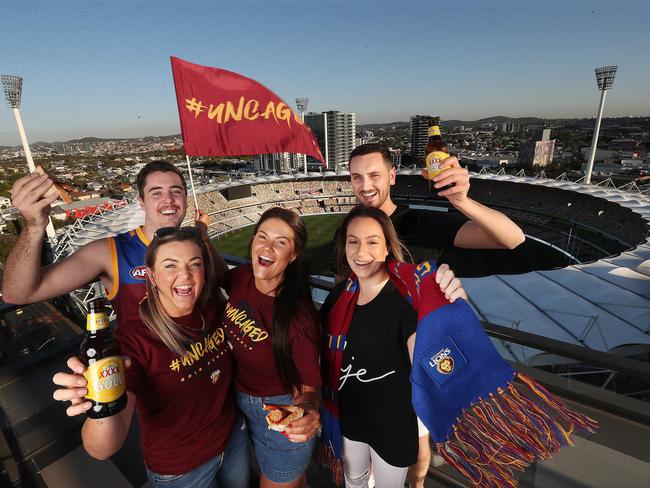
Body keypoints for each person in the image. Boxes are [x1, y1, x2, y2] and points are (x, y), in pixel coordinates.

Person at [344, 143, 525, 487]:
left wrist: (461, 201)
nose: (365, 185)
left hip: (417, 361)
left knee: (419, 447)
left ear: (392, 177)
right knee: (370, 447)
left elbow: (512, 239)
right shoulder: (353, 230)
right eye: (356, 177)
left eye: (373, 175)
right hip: (368, 366)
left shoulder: (417, 223)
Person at [52, 227, 250, 488]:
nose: (185, 275)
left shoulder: (214, 308)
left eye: (195, 264)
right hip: (182, 469)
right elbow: (101, 449)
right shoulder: (132, 340)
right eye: (170, 265)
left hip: (234, 440)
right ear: (152, 275)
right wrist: (99, 409)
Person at [321, 205, 460, 487]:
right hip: (349, 419)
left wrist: (448, 309)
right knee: (354, 481)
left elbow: (424, 355)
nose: (361, 253)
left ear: (387, 247)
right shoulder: (338, 297)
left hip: (393, 425)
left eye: (373, 242)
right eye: (353, 242)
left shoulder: (407, 300)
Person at [1, 160, 226, 326]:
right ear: (141, 202)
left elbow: (227, 285)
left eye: (176, 191)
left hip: (216, 377)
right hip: (152, 383)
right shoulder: (110, 251)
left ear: (185, 199)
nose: (168, 200)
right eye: (156, 193)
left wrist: (203, 234)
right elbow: (17, 293)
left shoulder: (197, 242)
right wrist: (33, 226)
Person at [221, 207, 321, 488]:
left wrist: (307, 414)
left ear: (293, 255)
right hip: (236, 402)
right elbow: (216, 274)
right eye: (262, 237)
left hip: (277, 412)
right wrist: (203, 235)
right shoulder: (240, 276)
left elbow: (308, 391)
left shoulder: (299, 319)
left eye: (281, 242)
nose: (267, 247)